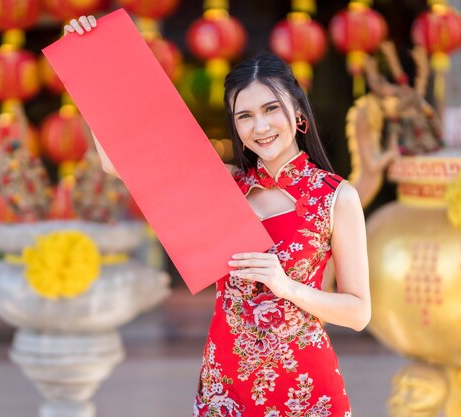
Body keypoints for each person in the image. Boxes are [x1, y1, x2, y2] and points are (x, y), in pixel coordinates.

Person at [64, 15, 370, 417]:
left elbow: (358, 312)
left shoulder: (336, 197)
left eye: (270, 109)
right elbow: (118, 162)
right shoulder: (225, 187)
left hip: (305, 389)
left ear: (297, 113)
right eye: (244, 116)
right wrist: (89, 60)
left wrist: (285, 286)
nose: (259, 126)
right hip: (225, 387)